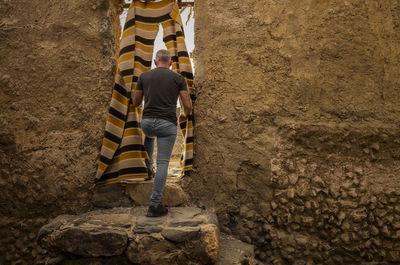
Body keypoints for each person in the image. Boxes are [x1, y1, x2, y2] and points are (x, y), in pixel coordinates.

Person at [132, 49, 192, 217]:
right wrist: (184, 115)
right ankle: (155, 204)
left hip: (147, 123)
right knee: (164, 163)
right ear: (171, 62)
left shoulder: (144, 76)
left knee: (150, 135)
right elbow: (187, 105)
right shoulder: (178, 78)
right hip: (167, 125)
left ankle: (148, 167)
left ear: (155, 61)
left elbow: (136, 102)